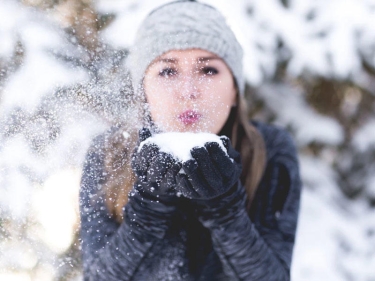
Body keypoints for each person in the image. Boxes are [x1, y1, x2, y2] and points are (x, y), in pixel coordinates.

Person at [79, 1, 302, 280]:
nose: (188, 91)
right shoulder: (110, 153)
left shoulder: (268, 151)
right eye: (168, 71)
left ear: (234, 90)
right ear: (144, 90)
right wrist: (148, 208)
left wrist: (225, 210)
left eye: (208, 70)